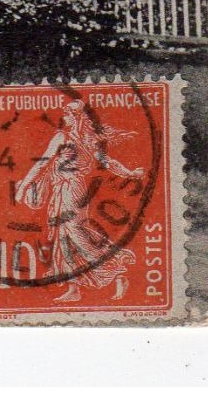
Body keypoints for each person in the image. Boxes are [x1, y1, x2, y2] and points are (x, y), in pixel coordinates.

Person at [14, 100, 142, 302]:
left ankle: (116, 270)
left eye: (67, 115)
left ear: (75, 118)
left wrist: (22, 187)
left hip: (72, 189)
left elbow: (42, 164)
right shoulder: (81, 139)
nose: (63, 118)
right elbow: (107, 162)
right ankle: (74, 289)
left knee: (76, 233)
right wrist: (130, 172)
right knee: (63, 235)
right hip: (65, 189)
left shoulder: (65, 137)